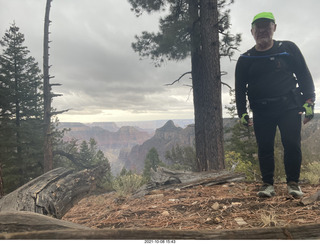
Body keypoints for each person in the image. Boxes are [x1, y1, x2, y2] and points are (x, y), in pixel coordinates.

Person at [235, 12, 315, 198]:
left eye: (266, 26)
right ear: (252, 32)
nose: (262, 31)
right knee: (264, 147)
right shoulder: (245, 59)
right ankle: (267, 184)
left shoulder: (288, 49)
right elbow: (239, 89)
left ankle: (293, 183)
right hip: (261, 110)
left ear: (274, 28)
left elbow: (304, 75)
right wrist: (242, 113)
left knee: (292, 144)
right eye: (258, 28)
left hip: (289, 106)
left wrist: (309, 101)